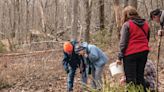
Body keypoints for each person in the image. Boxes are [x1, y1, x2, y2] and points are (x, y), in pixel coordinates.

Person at [116, 6, 150, 92]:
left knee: (130, 79)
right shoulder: (146, 24)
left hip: (130, 54)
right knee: (140, 77)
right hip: (143, 52)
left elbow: (123, 43)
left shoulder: (127, 24)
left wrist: (119, 57)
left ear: (126, 15)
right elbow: (147, 38)